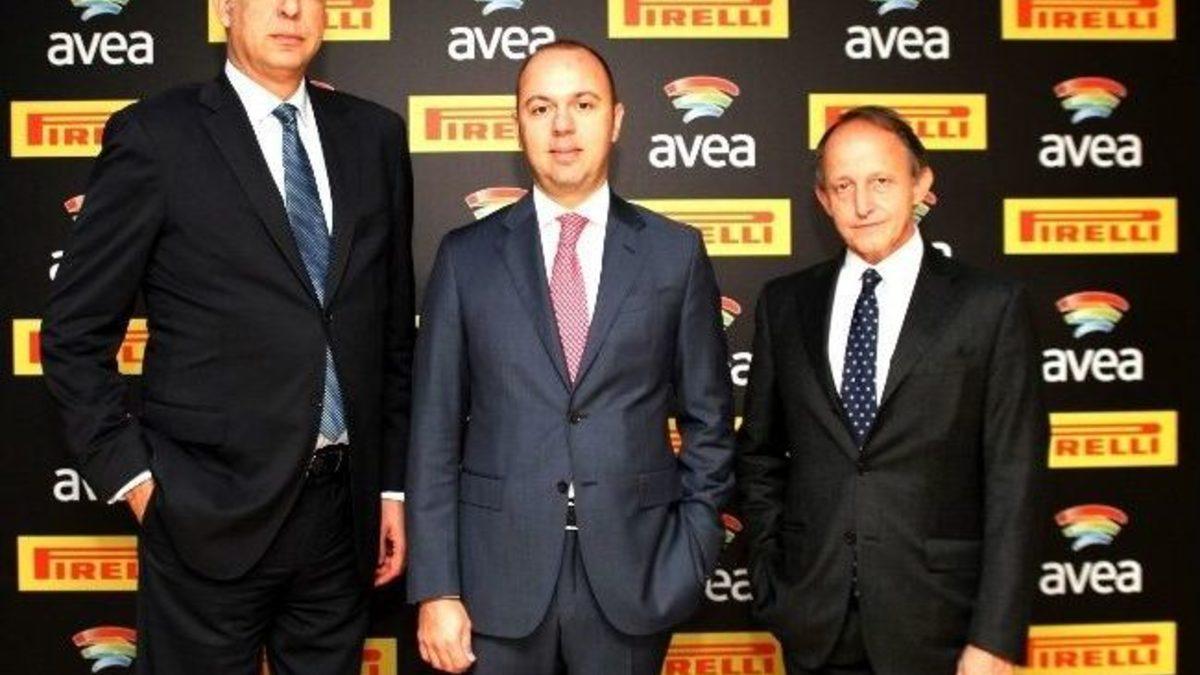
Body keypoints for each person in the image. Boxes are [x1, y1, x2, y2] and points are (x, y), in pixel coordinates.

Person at [40, 0, 414, 672]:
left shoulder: (375, 136)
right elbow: (74, 330)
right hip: (203, 516)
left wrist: (390, 488)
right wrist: (135, 479)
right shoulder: (157, 136)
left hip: (342, 518)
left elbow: (390, 331)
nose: (291, 9)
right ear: (226, 10)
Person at [405, 40, 735, 675]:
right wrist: (438, 588)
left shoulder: (675, 254)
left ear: (616, 119)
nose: (562, 126)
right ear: (518, 124)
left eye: (583, 104)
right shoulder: (465, 258)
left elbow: (710, 422)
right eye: (541, 108)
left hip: (637, 576)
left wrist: (692, 549)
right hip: (494, 582)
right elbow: (434, 435)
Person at [736, 106, 1047, 675]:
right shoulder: (785, 304)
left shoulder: (989, 306)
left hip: (943, 628)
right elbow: (760, 455)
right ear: (823, 198)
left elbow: (1014, 479)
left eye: (881, 180)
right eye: (843, 186)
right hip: (815, 623)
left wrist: (997, 638)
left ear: (921, 184)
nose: (863, 204)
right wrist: (772, 581)